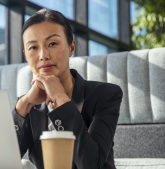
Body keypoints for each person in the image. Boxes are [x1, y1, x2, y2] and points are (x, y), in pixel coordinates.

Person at [13, 8, 123, 169]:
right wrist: (24, 104)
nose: (43, 55)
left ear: (71, 47)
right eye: (33, 47)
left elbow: (92, 165)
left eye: (52, 44)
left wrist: (61, 100)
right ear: (25, 55)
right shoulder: (27, 105)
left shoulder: (105, 95)